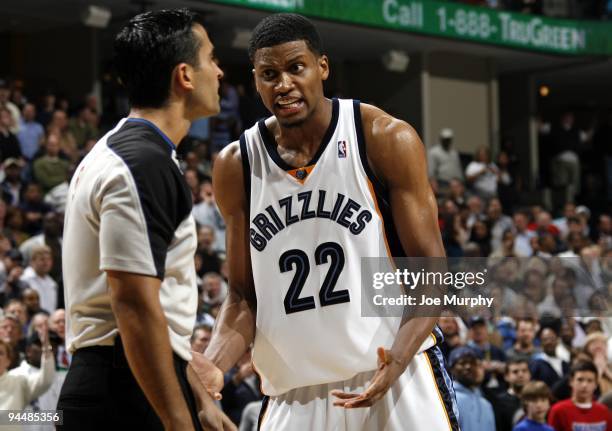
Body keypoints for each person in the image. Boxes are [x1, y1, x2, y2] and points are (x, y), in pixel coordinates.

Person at [198, 13, 458, 430]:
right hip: (293, 393)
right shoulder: (236, 165)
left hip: (397, 377)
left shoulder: (383, 138)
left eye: (295, 68)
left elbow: (432, 269)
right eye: (269, 74)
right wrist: (214, 364)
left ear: (322, 66)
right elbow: (244, 295)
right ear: (255, 80)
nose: (283, 84)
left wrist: (400, 356)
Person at [56, 9, 231, 431]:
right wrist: (177, 422)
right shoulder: (142, 163)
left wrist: (195, 392)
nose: (221, 72)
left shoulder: (125, 151)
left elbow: (149, 307)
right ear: (185, 76)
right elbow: (132, 304)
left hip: (122, 378)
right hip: (122, 390)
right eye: (211, 59)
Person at [548, 361, 612, 430]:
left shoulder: (604, 412)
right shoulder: (558, 410)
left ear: (596, 384)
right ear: (571, 381)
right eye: (580, 380)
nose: (584, 385)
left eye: (590, 381)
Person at [450, 346, 496, 431]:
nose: (468, 366)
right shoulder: (448, 399)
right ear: (451, 369)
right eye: (462, 363)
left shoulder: (486, 404)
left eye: (473, 363)